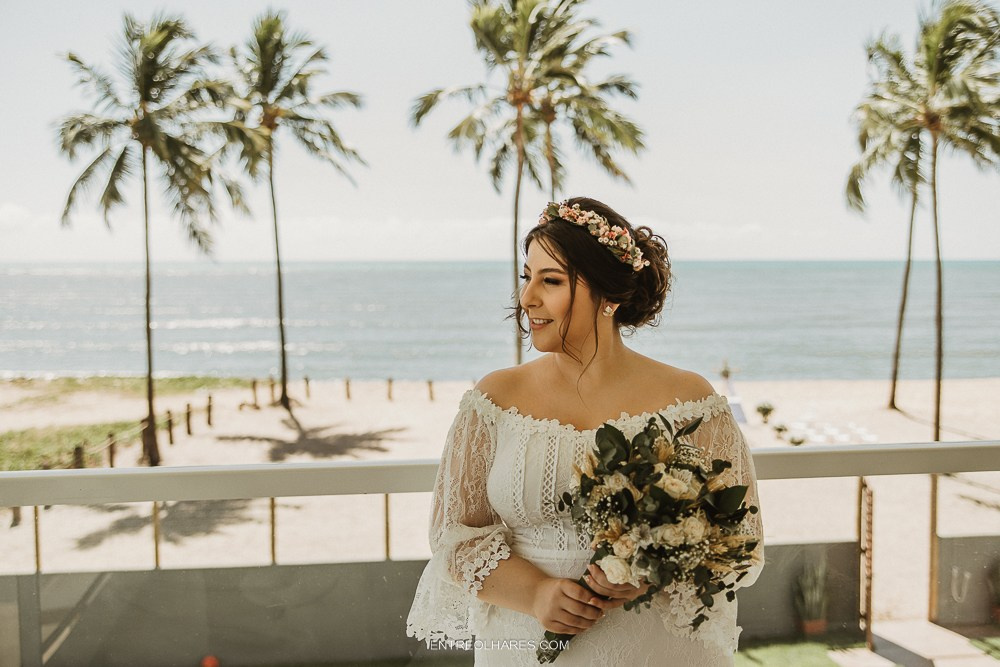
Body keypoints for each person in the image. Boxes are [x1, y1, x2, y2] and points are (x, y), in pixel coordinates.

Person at [406, 197, 763, 665]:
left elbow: (741, 541)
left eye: (549, 281)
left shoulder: (689, 401)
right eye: (526, 277)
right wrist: (535, 594)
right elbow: (453, 535)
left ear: (608, 295)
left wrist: (651, 569)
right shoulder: (494, 400)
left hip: (658, 649)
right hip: (520, 644)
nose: (527, 297)